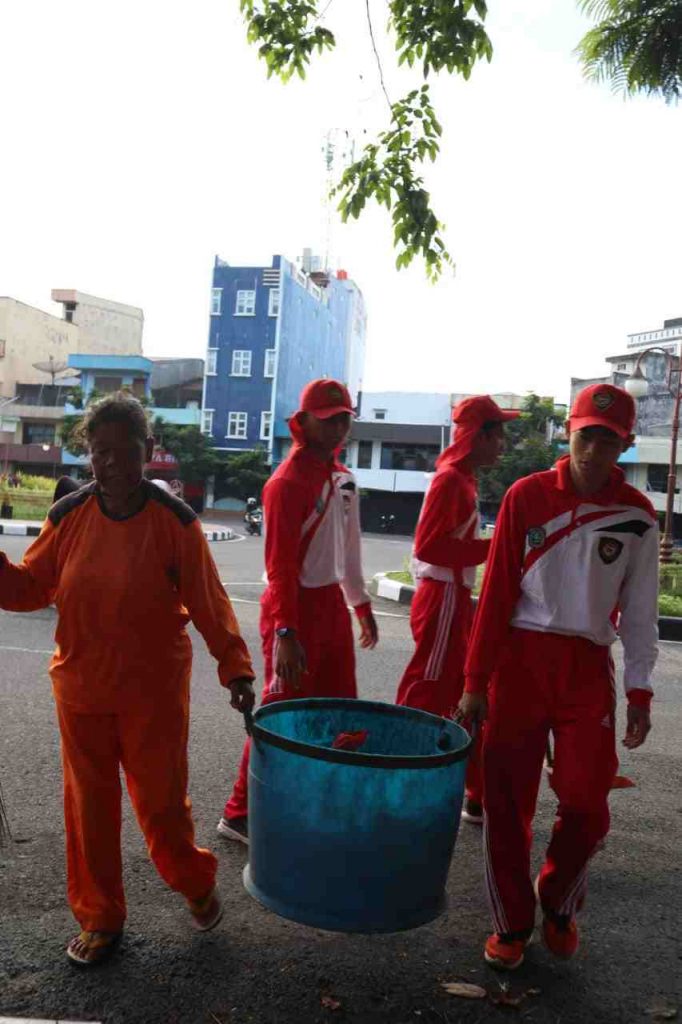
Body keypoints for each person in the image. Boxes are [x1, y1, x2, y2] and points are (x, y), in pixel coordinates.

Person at [0, 393, 255, 966]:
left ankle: (193, 881)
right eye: (100, 452)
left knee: (162, 809)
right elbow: (26, 589)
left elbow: (209, 604)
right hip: (81, 692)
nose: (112, 464)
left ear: (148, 451)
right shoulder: (68, 518)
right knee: (88, 811)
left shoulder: (175, 523)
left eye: (125, 451)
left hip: (153, 697)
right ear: (87, 455)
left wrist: (235, 667)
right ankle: (100, 919)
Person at [457, 384, 658, 970]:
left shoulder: (637, 517)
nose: (595, 450)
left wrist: (641, 689)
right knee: (505, 800)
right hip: (519, 662)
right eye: (586, 435)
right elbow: (495, 596)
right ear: (568, 434)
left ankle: (558, 899)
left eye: (609, 439)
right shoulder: (527, 496)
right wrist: (475, 681)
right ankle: (512, 922)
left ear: (623, 445)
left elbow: (642, 612)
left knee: (587, 801)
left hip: (585, 668)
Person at [218, 378, 378, 843]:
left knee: (340, 707)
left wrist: (360, 603)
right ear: (303, 421)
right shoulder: (285, 483)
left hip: (330, 603)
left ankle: (324, 800)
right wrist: (285, 630)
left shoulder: (343, 479)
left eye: (344, 418)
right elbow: (280, 565)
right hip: (293, 609)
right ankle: (239, 814)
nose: (337, 427)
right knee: (281, 711)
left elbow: (349, 550)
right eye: (328, 419)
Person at [395, 396, 519, 823]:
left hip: (451, 596)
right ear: (477, 435)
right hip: (443, 595)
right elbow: (430, 546)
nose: (503, 441)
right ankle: (399, 776)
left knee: (463, 693)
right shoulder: (451, 480)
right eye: (497, 431)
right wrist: (497, 546)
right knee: (429, 690)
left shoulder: (462, 478)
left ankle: (476, 792)